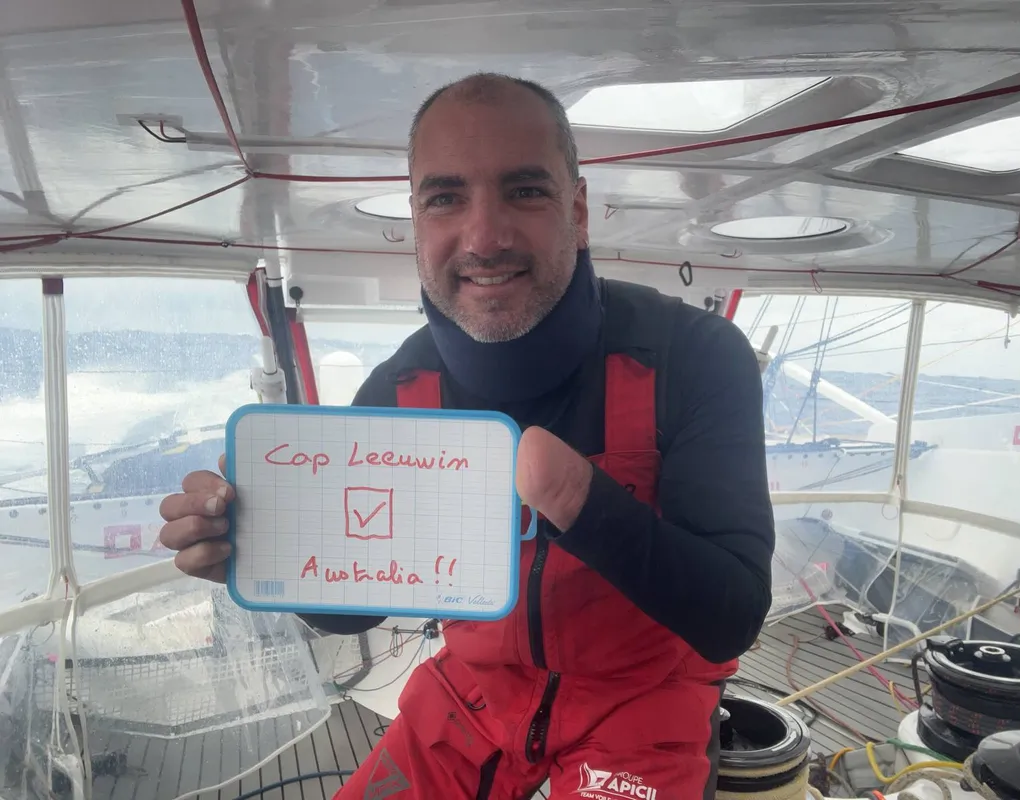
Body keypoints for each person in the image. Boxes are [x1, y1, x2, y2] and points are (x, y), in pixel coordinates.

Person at [159, 73, 775, 800]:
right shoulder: (398, 390)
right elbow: (347, 609)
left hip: (644, 695)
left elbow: (730, 614)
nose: (484, 237)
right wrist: (259, 544)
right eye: (445, 198)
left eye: (525, 190)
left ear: (577, 211)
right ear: (417, 221)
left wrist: (579, 500)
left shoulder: (693, 355)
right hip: (473, 693)